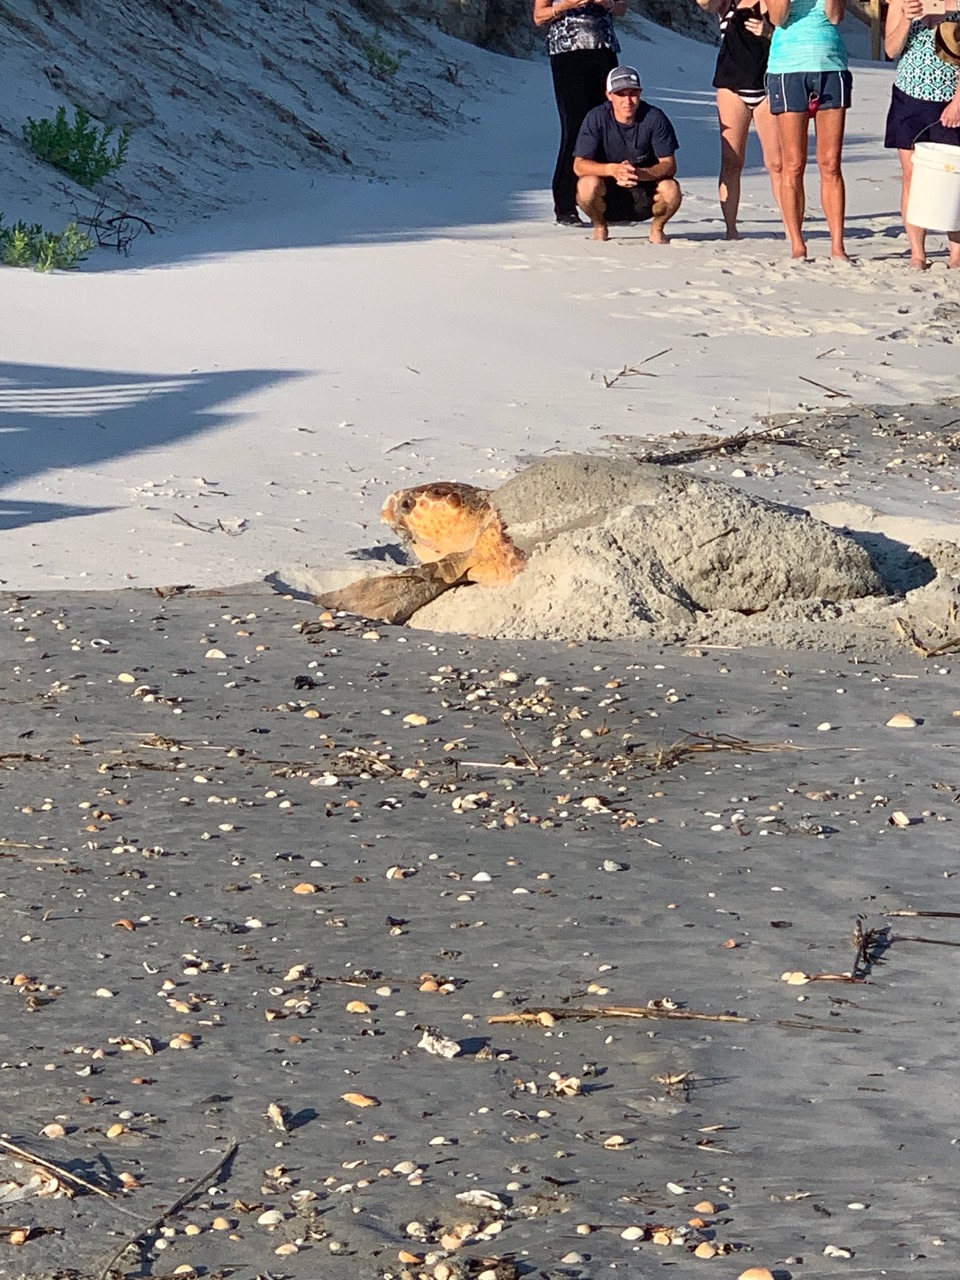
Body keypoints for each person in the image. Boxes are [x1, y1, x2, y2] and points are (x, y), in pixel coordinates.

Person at [766, 0, 851, 260]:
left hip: (830, 64)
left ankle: (837, 245)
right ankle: (797, 243)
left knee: (830, 162)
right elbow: (778, 18)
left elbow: (836, 16)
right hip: (788, 67)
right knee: (793, 163)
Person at [533, 0, 629, 226]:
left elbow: (623, 8)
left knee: (607, 123)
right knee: (575, 126)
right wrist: (567, 4)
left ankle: (608, 204)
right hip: (567, 53)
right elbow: (539, 16)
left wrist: (608, 4)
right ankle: (565, 205)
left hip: (603, 49)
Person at [696, 0, 783, 239]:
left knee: (777, 164)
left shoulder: (776, 4)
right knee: (732, 160)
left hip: (767, 86)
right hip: (732, 87)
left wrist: (769, 32)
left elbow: (791, 40)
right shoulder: (728, 3)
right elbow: (705, 3)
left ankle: (790, 227)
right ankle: (731, 229)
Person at [884, 0, 960, 269]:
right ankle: (918, 253)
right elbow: (891, 50)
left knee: (954, 177)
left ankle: (956, 253)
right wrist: (905, 18)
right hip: (909, 96)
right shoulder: (901, 2)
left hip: (950, 97)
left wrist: (958, 101)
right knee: (912, 176)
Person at [573, 65, 683, 242]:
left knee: (671, 189)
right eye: (621, 94)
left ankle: (657, 228)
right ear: (609, 95)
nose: (628, 101)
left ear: (640, 94)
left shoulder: (654, 117)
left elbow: (669, 164)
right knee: (586, 185)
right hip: (607, 193)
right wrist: (613, 170)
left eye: (633, 93)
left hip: (645, 192)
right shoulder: (596, 117)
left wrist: (639, 174)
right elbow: (579, 166)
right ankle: (599, 226)